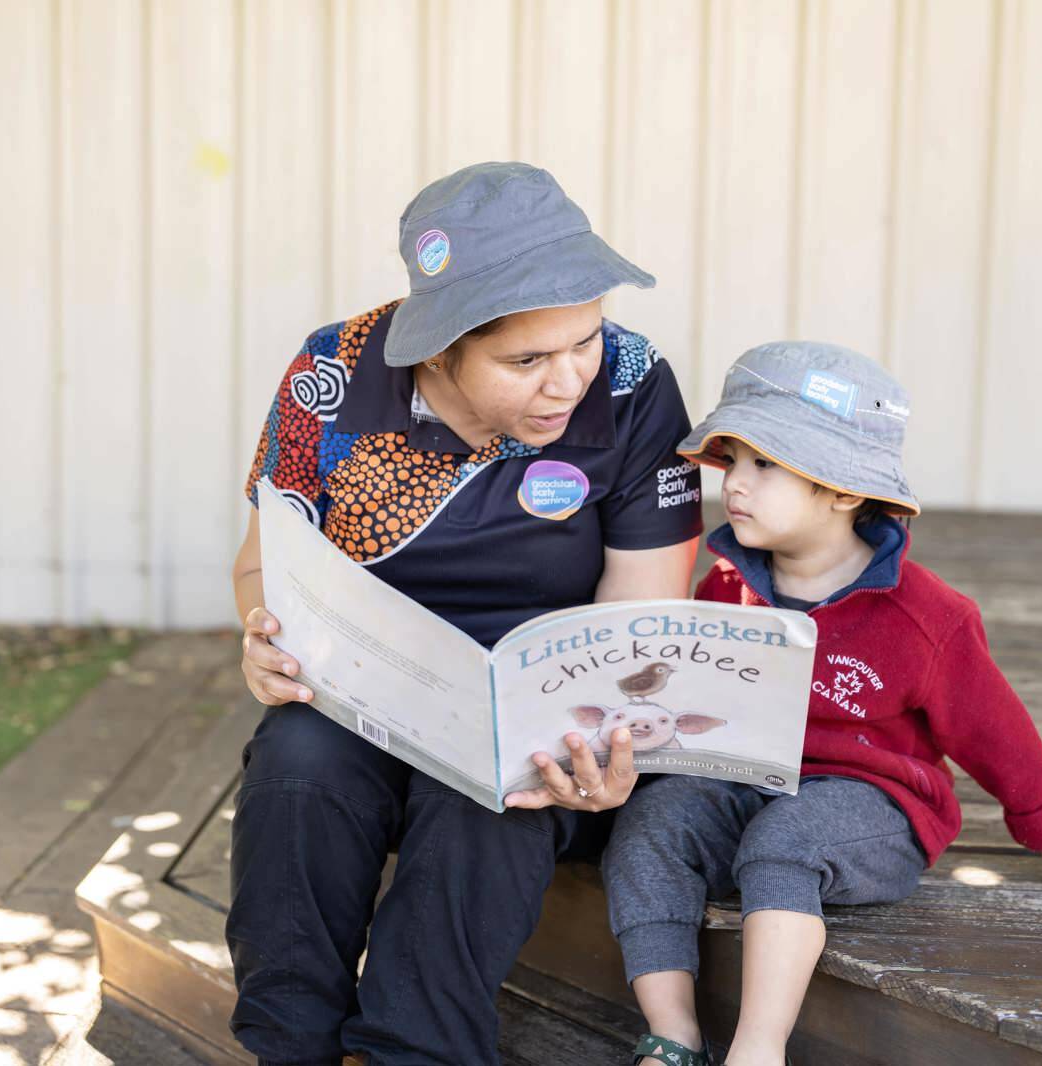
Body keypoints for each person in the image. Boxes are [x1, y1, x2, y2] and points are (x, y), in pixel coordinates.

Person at [227, 162, 704, 1064]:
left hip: (542, 708)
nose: (568, 381)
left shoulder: (634, 383)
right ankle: (288, 1049)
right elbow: (260, 566)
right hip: (362, 691)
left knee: (494, 798)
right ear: (439, 349)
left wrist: (608, 752)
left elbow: (637, 630)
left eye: (585, 340)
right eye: (526, 361)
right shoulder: (330, 373)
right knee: (297, 770)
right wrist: (264, 639)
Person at [601, 342, 1042, 1066]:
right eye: (733, 461)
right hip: (748, 782)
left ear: (845, 491)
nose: (736, 484)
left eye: (765, 464)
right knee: (650, 823)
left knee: (787, 839)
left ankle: (758, 1047)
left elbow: (993, 729)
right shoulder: (727, 588)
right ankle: (674, 1033)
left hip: (872, 806)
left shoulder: (925, 617)